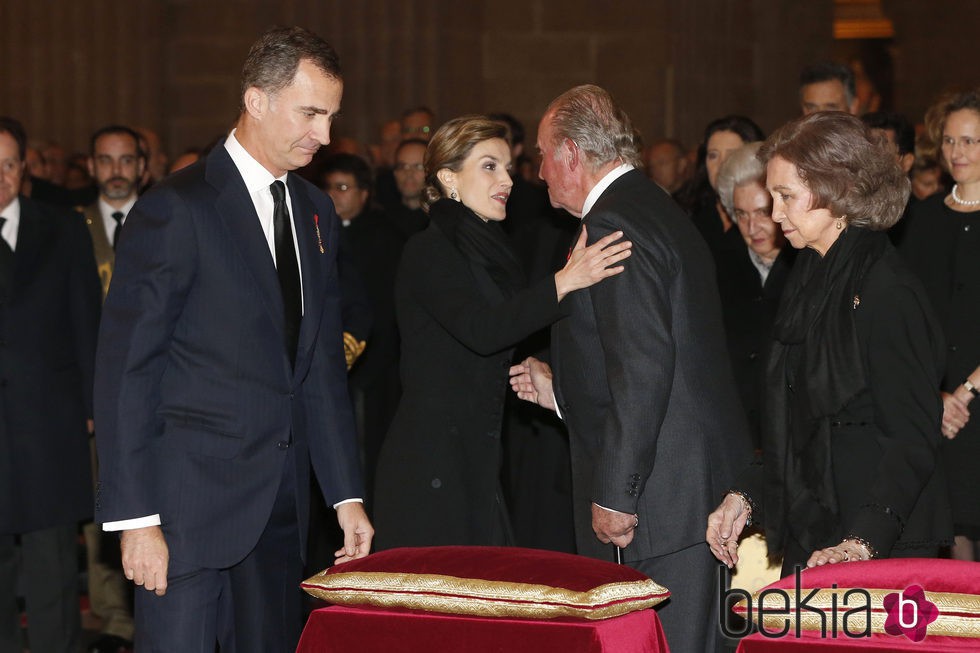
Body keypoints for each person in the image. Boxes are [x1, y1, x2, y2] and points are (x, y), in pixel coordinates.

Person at [93, 26, 373, 652]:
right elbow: (126, 372)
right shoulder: (177, 208)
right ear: (256, 101)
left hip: (281, 513)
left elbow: (318, 367)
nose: (324, 135)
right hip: (184, 513)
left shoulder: (317, 212)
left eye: (331, 116)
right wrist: (136, 519)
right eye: (310, 113)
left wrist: (345, 494)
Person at [510, 85, 752, 653]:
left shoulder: (616, 225)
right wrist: (561, 393)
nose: (540, 171)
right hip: (684, 491)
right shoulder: (650, 205)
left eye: (544, 154)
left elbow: (643, 369)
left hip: (662, 506)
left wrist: (617, 493)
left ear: (571, 153)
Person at [707, 112, 952, 577]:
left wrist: (861, 541)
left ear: (837, 192)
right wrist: (746, 495)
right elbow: (798, 420)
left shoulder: (886, 291)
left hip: (881, 541)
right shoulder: (811, 276)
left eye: (786, 197)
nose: (775, 215)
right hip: (817, 528)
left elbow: (913, 437)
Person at [372, 115, 632, 549]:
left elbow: (497, 327)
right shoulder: (429, 249)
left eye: (509, 167)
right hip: (431, 467)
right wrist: (564, 280)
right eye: (489, 166)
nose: (507, 179)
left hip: (475, 458)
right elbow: (481, 328)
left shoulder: (486, 248)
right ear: (448, 177)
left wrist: (530, 361)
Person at [0, 116, 102, 653]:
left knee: (52, 564)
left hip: (49, 422)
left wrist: (92, 406)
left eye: (9, 164)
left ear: (26, 169)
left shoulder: (61, 227)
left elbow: (88, 322)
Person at [900, 88, 980, 562]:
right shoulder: (920, 220)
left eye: (970, 141)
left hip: (969, 399)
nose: (957, 152)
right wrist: (935, 395)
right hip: (936, 410)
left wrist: (966, 391)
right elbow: (906, 321)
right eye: (950, 141)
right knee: (952, 535)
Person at [82, 123, 146, 653]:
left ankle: (148, 606)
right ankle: (111, 617)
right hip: (95, 386)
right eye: (106, 160)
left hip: (154, 383)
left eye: (126, 160)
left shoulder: (162, 215)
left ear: (142, 166)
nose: (116, 170)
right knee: (100, 501)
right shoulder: (72, 226)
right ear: (91, 167)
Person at [714, 142, 795, 448]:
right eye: (741, 214)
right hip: (736, 433)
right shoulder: (719, 265)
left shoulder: (808, 264)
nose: (752, 227)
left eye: (762, 212)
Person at [675, 115, 764, 253]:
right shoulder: (687, 213)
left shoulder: (771, 215)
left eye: (732, 155)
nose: (721, 165)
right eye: (713, 155)